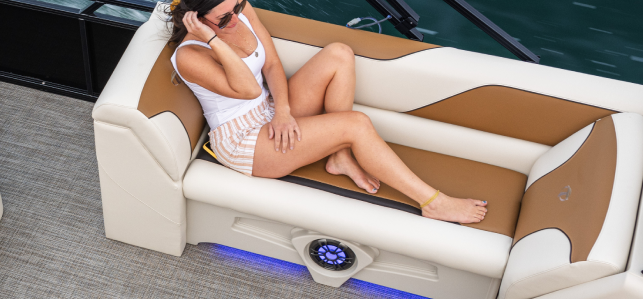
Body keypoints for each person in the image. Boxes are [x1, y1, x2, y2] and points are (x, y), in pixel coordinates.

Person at [168, 0, 488, 224]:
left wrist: (283, 111)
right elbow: (248, 90)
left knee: (339, 54)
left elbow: (272, 64)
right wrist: (212, 38)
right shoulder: (190, 56)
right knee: (357, 125)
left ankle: (340, 157)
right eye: (223, 19)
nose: (235, 19)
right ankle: (434, 203)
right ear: (195, 20)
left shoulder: (238, 8)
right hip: (244, 141)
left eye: (236, 8)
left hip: (270, 110)